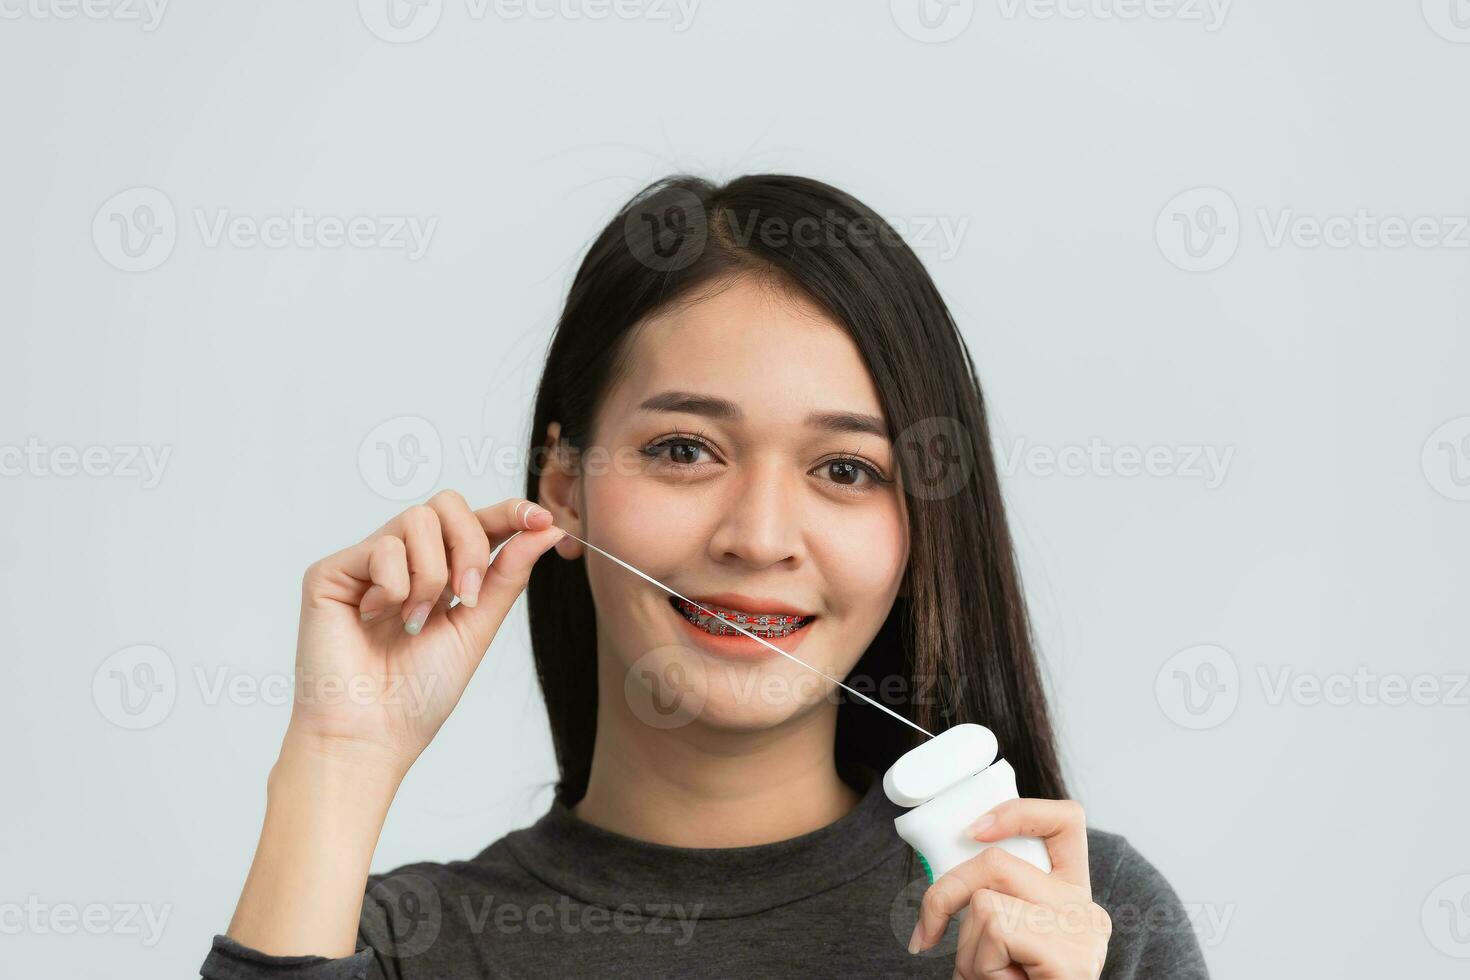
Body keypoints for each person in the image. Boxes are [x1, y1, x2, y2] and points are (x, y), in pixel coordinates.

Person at [199, 174, 1210, 978]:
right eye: (685, 449)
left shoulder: (1082, 919)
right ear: (567, 483)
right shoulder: (387, 944)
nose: (759, 535)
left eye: (846, 469)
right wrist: (340, 752)